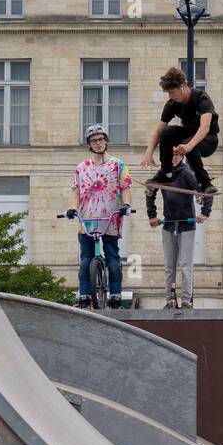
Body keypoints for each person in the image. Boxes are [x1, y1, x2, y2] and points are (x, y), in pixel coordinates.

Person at [72, 123, 132, 309]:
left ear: (106, 141)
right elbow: (75, 191)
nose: (98, 143)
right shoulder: (81, 167)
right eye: (93, 141)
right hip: (87, 220)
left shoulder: (118, 164)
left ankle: (115, 293)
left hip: (110, 219)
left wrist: (126, 205)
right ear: (89, 144)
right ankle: (84, 295)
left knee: (113, 258)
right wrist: (72, 209)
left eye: (100, 139)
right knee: (85, 260)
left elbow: (126, 187)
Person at [146, 150, 213, 309]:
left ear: (182, 157)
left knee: (185, 265)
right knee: (169, 266)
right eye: (170, 155)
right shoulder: (162, 174)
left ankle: (186, 301)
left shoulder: (187, 173)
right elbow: (149, 191)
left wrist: (204, 213)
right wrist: (152, 215)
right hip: (169, 224)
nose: (173, 159)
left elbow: (206, 191)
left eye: (176, 156)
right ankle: (170, 299)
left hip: (186, 224)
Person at [141, 66, 219, 195]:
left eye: (172, 92)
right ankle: (166, 174)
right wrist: (148, 153)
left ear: (182, 86)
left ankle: (205, 183)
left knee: (190, 143)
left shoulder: (201, 98)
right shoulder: (172, 104)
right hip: (188, 134)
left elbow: (205, 128)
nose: (171, 96)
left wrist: (189, 145)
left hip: (208, 140)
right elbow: (158, 131)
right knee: (167, 132)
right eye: (168, 93)